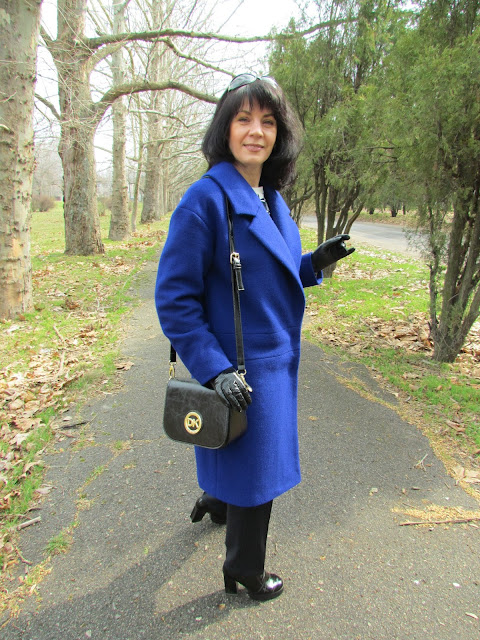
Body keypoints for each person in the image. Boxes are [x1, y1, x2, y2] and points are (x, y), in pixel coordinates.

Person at [155, 73, 355, 601]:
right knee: (259, 472)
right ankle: (244, 571)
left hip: (274, 362)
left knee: (239, 452)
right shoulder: (205, 200)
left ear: (278, 135)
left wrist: (315, 262)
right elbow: (174, 299)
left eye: (267, 122)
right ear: (225, 129)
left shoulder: (270, 197)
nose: (256, 131)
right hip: (241, 368)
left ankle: (215, 501)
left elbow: (275, 271)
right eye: (243, 119)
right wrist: (215, 369)